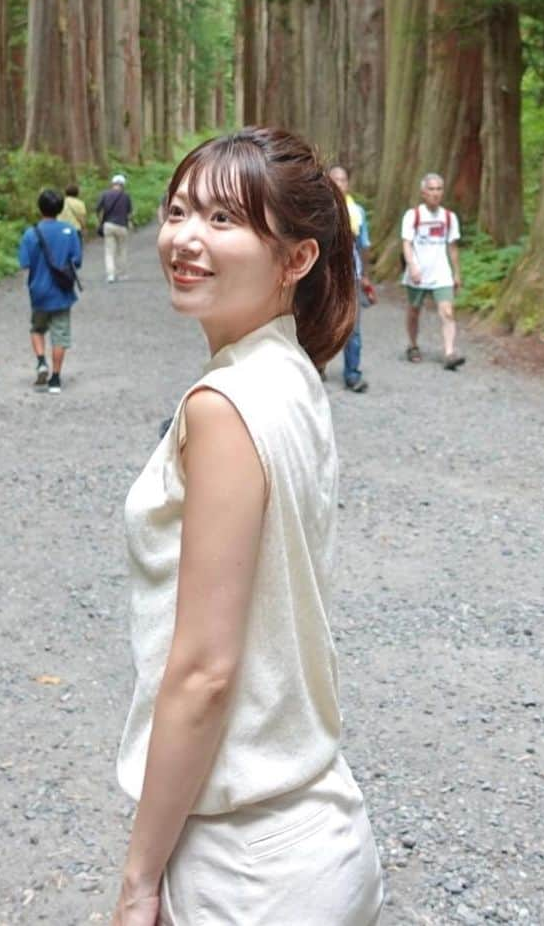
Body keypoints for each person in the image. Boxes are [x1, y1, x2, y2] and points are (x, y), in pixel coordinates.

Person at [113, 127, 384, 926]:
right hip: (323, 828)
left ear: (296, 259)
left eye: (224, 220)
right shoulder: (291, 373)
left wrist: (139, 879)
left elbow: (203, 672)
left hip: (247, 869)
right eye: (178, 211)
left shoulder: (224, 406)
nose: (185, 239)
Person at [17, 189, 83, 394]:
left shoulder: (31, 233)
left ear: (40, 208)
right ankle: (55, 378)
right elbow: (77, 261)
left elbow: (24, 263)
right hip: (62, 292)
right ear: (61, 208)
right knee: (60, 335)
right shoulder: (70, 231)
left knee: (37, 329)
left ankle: (40, 361)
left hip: (38, 291)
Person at [401, 172, 464, 369]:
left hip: (441, 273)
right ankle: (412, 345)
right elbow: (407, 243)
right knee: (414, 310)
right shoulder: (413, 215)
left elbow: (452, 247)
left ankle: (449, 352)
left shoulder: (449, 217)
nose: (435, 193)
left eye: (438, 189)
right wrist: (412, 266)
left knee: (447, 311)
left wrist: (456, 273)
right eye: (431, 189)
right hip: (418, 271)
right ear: (423, 192)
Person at [328, 165, 376, 393]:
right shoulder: (317, 210)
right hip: (324, 277)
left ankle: (352, 374)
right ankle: (317, 364)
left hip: (351, 276)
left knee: (353, 328)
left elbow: (364, 245)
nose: (339, 183)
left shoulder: (357, 212)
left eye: (343, 179)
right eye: (334, 179)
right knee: (323, 323)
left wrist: (365, 275)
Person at [96, 173, 132, 283]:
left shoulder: (105, 194)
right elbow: (129, 212)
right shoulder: (126, 196)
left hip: (108, 224)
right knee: (122, 250)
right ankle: (122, 274)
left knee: (109, 251)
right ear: (122, 185)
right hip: (122, 225)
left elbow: (98, 209)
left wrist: (100, 221)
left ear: (113, 184)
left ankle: (110, 275)